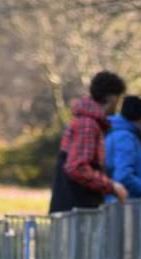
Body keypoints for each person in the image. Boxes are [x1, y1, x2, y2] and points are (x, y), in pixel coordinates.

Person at [49, 71, 128, 213]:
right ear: (111, 98)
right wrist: (111, 186)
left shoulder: (87, 122)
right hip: (75, 213)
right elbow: (76, 167)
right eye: (119, 99)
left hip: (76, 212)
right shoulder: (88, 124)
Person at [105, 95, 141, 201]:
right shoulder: (126, 137)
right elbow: (123, 175)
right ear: (140, 117)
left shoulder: (114, 132)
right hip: (127, 205)